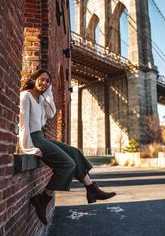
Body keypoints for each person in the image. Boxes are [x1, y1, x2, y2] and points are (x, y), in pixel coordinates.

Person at [19, 68, 116, 225]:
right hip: (34, 139)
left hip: (41, 137)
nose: (44, 83)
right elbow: (23, 125)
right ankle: (42, 199)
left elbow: (51, 113)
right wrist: (28, 148)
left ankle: (91, 189)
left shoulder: (41, 99)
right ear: (35, 78)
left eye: (47, 81)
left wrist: (48, 92)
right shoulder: (25, 96)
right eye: (42, 79)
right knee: (68, 164)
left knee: (74, 152)